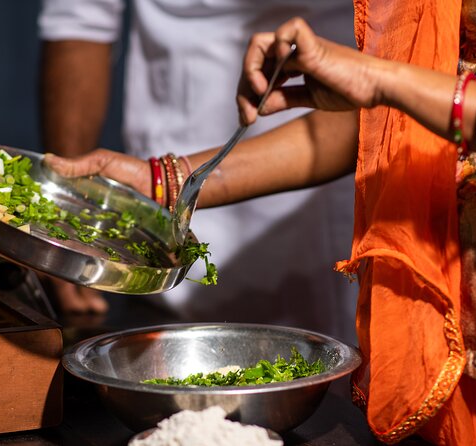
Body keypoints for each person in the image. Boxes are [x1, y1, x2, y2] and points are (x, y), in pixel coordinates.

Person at [46, 0, 476, 443]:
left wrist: (388, 80)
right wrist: (164, 181)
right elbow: (391, 117)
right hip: (453, 335)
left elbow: (405, 92)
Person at [37, 0, 359, 345]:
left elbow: (382, 106)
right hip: (172, 221)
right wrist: (75, 207)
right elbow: (79, 19)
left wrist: (162, 181)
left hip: (334, 216)